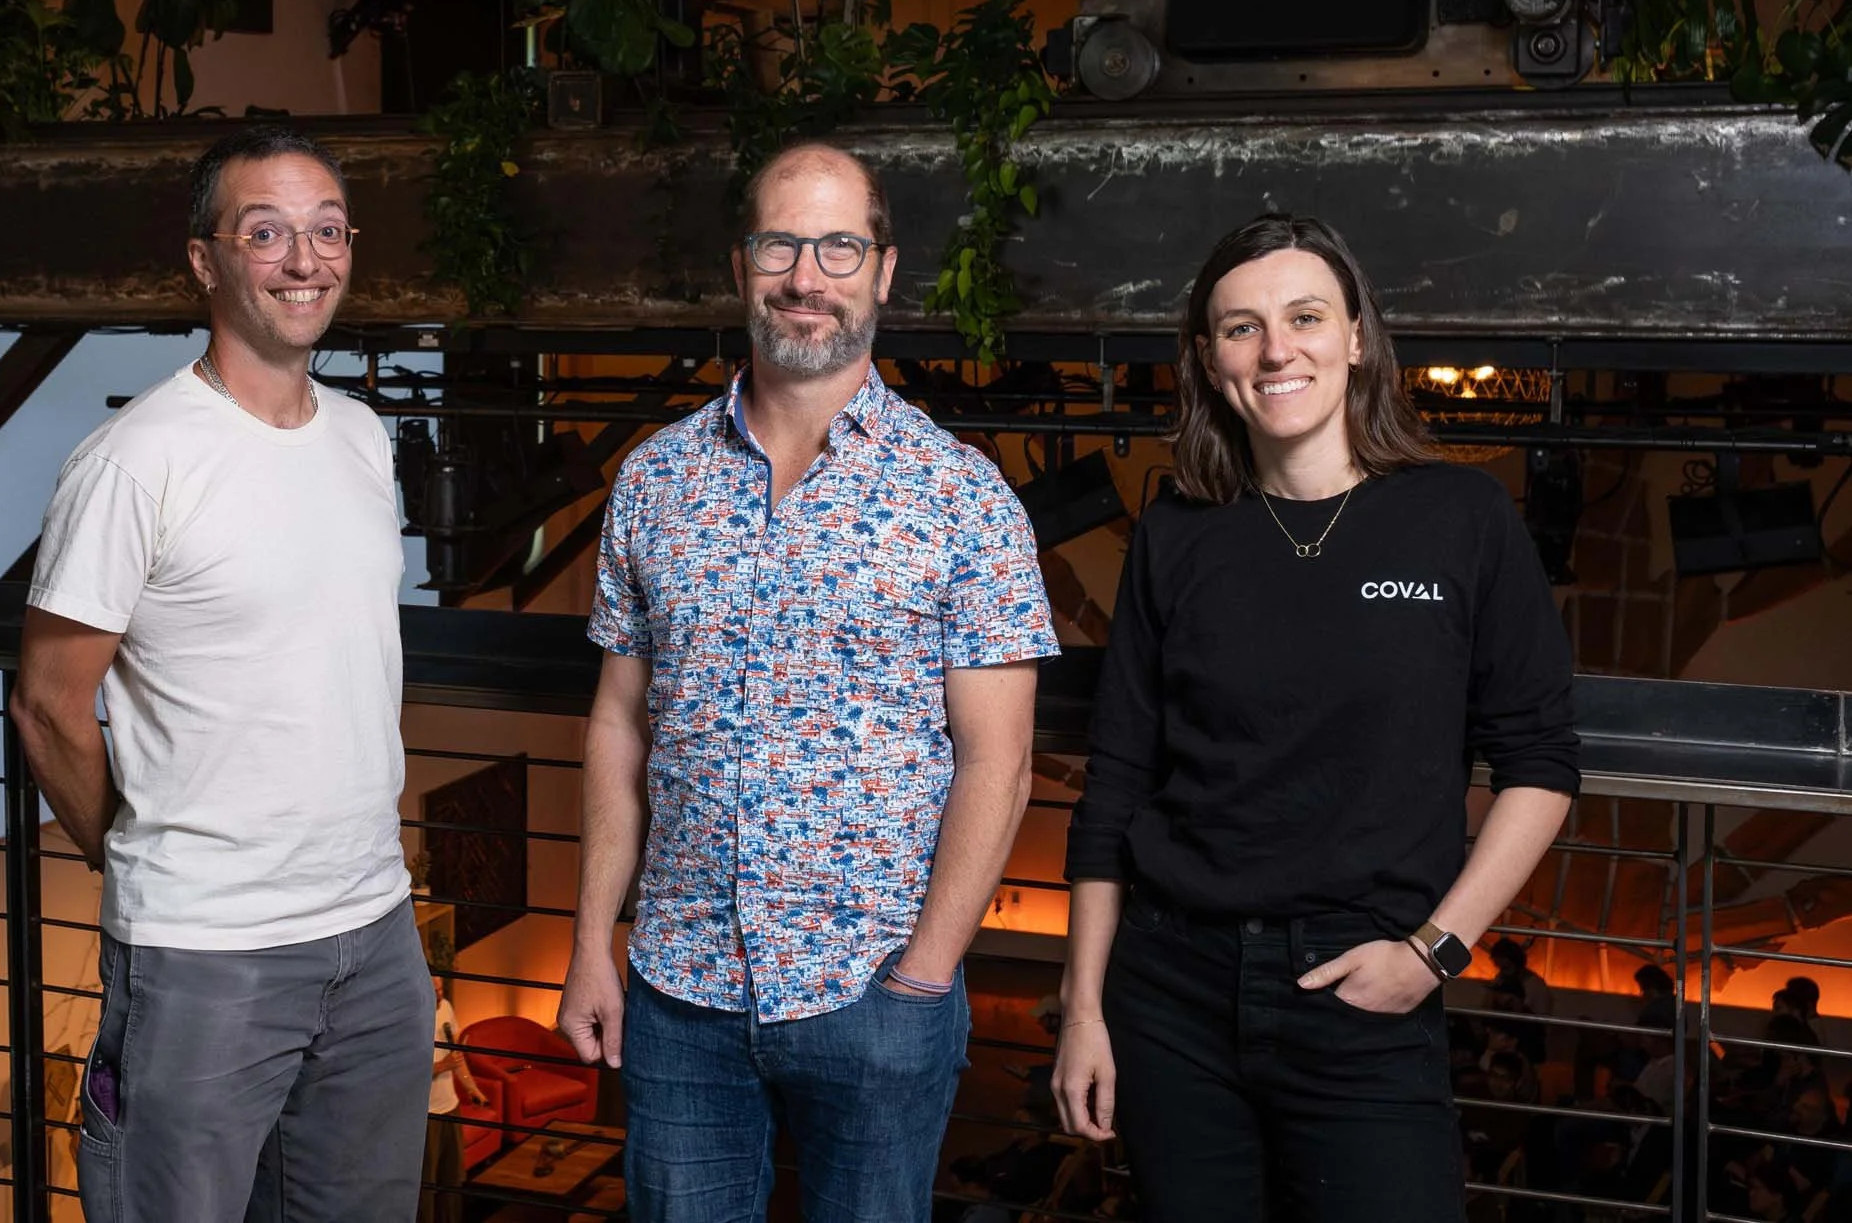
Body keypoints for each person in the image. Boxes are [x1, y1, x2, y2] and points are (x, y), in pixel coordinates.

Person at [559, 139, 1060, 1223]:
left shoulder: (962, 496)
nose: (805, 275)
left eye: (838, 246)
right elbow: (617, 723)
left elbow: (1001, 762)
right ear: (741, 266)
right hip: (678, 991)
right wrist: (592, 942)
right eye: (780, 244)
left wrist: (924, 976)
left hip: (873, 990)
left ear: (883, 270)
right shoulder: (653, 479)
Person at [1051, 211, 1581, 1223]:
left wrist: (1434, 951)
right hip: (1170, 992)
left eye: (1304, 316)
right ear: (1208, 360)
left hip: (1362, 989)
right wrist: (1082, 1008)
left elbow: (1540, 761)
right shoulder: (1176, 533)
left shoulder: (1462, 517)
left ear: (1356, 337)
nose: (1275, 350)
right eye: (1241, 327)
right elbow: (1116, 780)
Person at [13, 126, 431, 1223]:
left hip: (376, 929)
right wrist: (141, 853)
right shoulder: (133, 461)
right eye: (266, 232)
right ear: (205, 259)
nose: (304, 259)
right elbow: (47, 704)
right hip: (205, 950)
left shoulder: (362, 437)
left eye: (326, 231)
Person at [420, 974, 487, 1223]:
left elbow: (456, 1057)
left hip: (451, 1107)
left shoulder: (446, 1007)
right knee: (427, 1183)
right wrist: (442, 1066)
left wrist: (473, 1089)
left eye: (441, 989)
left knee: (452, 1179)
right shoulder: (413, 1018)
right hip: (428, 1115)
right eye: (434, 990)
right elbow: (407, 1072)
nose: (440, 995)